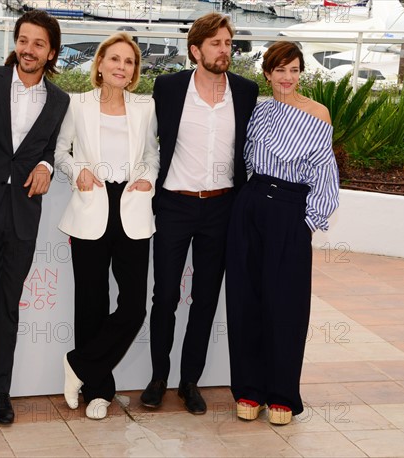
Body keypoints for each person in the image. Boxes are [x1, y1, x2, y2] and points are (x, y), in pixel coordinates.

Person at [140, 12, 259, 415]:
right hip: (175, 204)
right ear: (196, 50)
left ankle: (190, 381)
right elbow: (145, 137)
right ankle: (158, 378)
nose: (225, 50)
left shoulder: (245, 91)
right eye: (216, 44)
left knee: (206, 298)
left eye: (228, 43)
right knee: (165, 296)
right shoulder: (169, 88)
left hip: (223, 207)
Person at [0, 10, 70, 426]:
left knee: (8, 307)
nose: (28, 49)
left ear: (51, 52)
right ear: (16, 43)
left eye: (38, 43)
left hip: (23, 214)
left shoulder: (59, 101)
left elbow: (52, 148)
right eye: (24, 40)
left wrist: (47, 167)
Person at [226, 41, 339, 425]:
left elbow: (325, 174)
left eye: (294, 70)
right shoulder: (259, 110)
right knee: (245, 301)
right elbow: (244, 158)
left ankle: (282, 395)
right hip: (251, 203)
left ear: (300, 72)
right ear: (267, 74)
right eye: (279, 70)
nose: (287, 77)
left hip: (290, 211)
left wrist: (306, 221)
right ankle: (248, 390)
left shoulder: (318, 113)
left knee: (286, 304)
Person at [56, 32, 159, 420]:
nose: (121, 67)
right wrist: (77, 170)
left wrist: (149, 176)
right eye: (114, 59)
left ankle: (78, 365)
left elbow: (153, 153)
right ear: (99, 64)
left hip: (132, 206)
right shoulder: (77, 104)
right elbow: (59, 150)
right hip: (91, 204)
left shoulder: (145, 106)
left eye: (129, 62)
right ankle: (97, 391)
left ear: (134, 71)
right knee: (91, 303)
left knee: (133, 307)